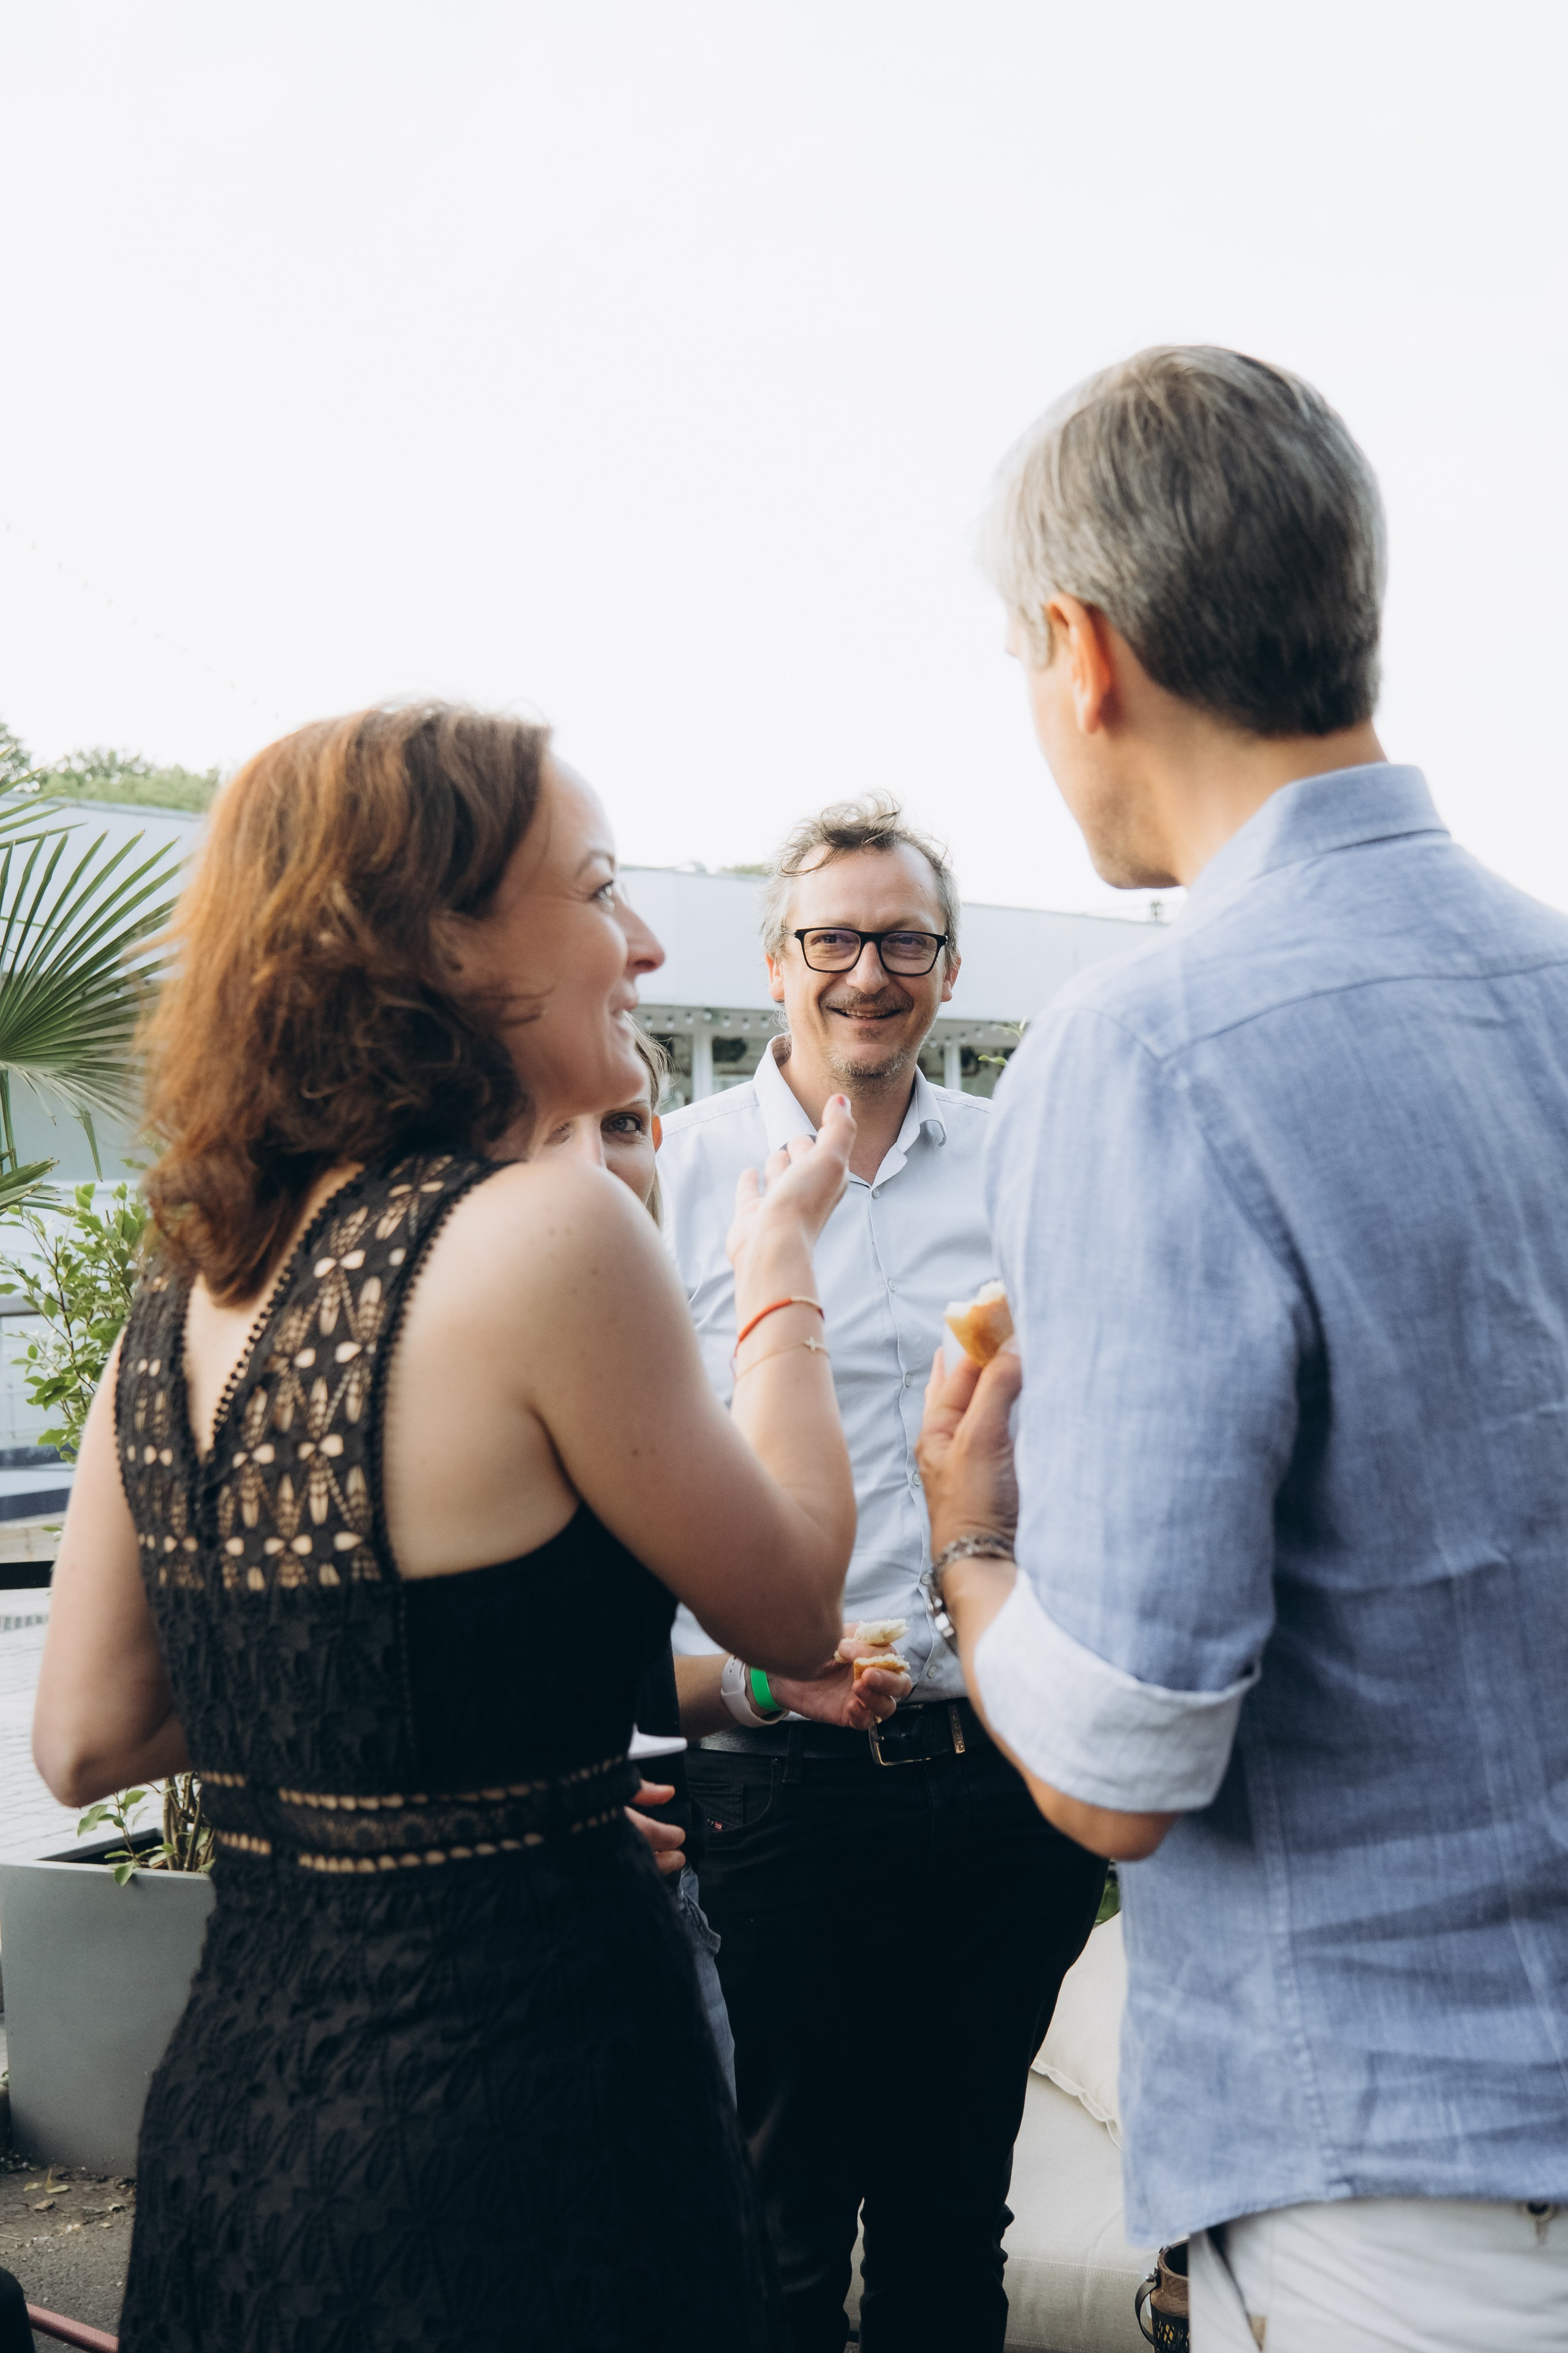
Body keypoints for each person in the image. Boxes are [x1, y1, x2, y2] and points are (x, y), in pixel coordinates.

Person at [32, 703, 861, 2351]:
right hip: (528, 2128)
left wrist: (446, 1768)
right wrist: (779, 1275)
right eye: (600, 888)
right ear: (435, 943)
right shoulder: (551, 1227)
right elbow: (793, 1606)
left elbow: (85, 1738)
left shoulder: (187, 1288)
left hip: (244, 2129)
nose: (644, 944)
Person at [917, 346, 1568, 2351]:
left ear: (1082, 650)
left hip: (1397, 2179)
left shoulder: (1149, 1047)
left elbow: (1124, 1762)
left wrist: (976, 1542)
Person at [657, 799, 1106, 2353]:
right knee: (776, 2226)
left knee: (951, 2217)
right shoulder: (675, 1174)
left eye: (903, 940)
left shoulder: (1023, 1166)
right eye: (833, 939)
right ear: (774, 964)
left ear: (949, 966)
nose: (868, 971)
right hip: (773, 1778)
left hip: (994, 1768)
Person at [540, 1027, 738, 2098]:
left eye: (619, 1124)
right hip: (512, 1941)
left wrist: (764, 1687)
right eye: (548, 1127)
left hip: (662, 1906)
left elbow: (619, 1688)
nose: (592, 1161)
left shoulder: (621, 1361)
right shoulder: (438, 1374)